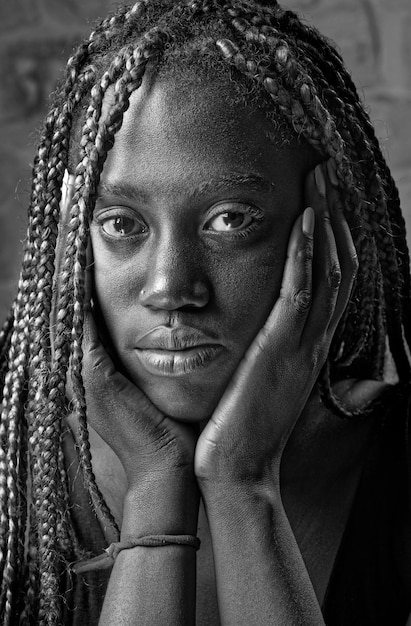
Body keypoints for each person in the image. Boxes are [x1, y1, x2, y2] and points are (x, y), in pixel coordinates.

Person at [0, 0, 410, 624]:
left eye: (230, 220)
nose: (170, 287)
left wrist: (243, 482)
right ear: (68, 246)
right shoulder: (14, 456)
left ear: (329, 231)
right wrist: (155, 483)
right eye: (120, 223)